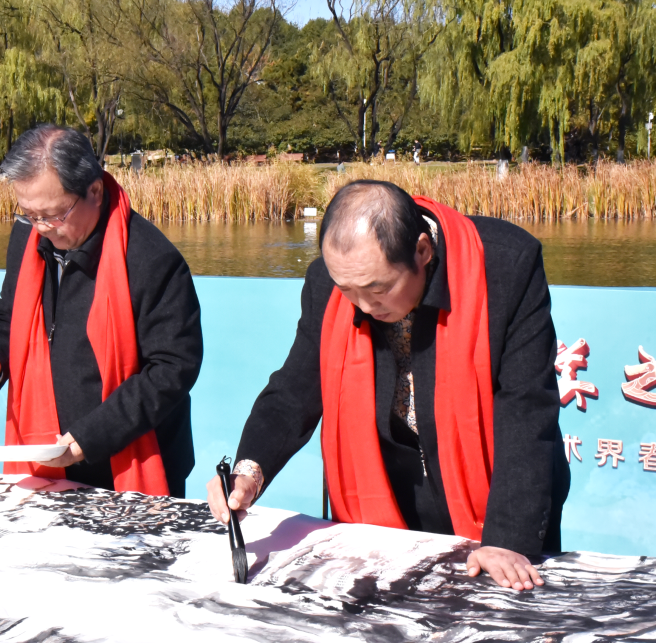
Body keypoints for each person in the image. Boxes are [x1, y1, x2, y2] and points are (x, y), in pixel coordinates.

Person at [208, 180, 569, 591]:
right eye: (349, 292)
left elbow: (526, 407)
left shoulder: (505, 266)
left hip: (496, 496)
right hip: (386, 491)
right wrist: (248, 472)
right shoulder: (330, 283)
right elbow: (295, 388)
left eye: (379, 289)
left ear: (422, 251)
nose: (362, 307)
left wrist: (508, 540)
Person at [0, 125, 202, 497]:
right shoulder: (26, 236)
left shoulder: (151, 258)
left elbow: (172, 370)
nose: (41, 228)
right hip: (43, 458)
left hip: (129, 465)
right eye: (28, 213)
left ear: (94, 190)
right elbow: (10, 312)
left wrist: (90, 438)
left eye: (53, 215)